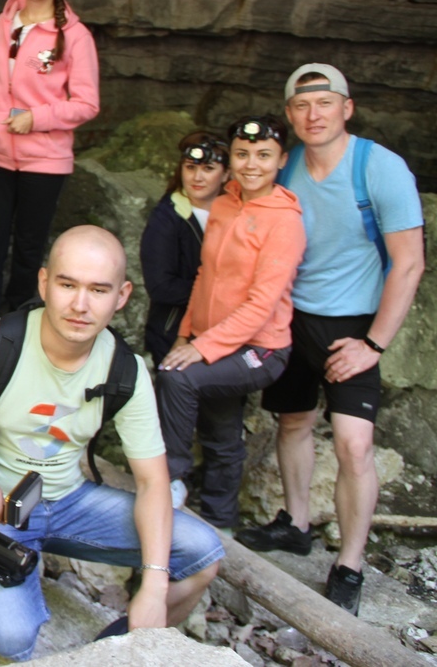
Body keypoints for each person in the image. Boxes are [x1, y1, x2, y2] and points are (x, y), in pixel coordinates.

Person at [0, 226, 222, 661]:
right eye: (67, 285)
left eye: (99, 290)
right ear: (44, 282)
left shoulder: (126, 371)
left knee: (203, 554)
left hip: (70, 501)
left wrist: (154, 585)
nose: (80, 305)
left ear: (122, 296)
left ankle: (109, 652)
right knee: (9, 637)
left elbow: (154, 482)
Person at [237, 64, 425, 615]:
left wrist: (374, 344)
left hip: (354, 325)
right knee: (292, 419)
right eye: (300, 105)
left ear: (348, 107)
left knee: (353, 444)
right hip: (293, 313)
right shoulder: (285, 164)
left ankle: (350, 562)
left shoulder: (380, 169)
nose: (312, 114)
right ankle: (294, 523)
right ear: (289, 115)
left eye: (325, 103)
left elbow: (409, 264)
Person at [155, 116, 305, 529]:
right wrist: (186, 334)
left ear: (282, 160)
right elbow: (205, 276)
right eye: (242, 154)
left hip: (262, 349)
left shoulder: (284, 221)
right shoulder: (223, 204)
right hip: (214, 339)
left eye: (263, 155)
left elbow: (261, 304)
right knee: (221, 431)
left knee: (177, 377)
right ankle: (221, 520)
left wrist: (199, 349)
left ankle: (169, 477)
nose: (250, 164)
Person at [0, 0, 100, 325]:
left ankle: (19, 325)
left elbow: (87, 103)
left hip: (46, 160)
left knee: (29, 249)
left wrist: (35, 117)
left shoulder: (75, 35)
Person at [139, 133, 229, 366]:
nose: (197, 177)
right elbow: (160, 287)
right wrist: (221, 294)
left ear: (227, 174)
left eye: (208, 168)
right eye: (190, 167)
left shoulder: (237, 213)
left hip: (226, 330)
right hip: (173, 333)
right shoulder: (167, 217)